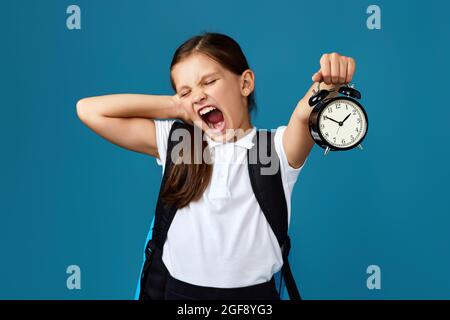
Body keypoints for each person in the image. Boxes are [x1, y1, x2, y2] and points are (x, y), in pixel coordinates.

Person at [76, 32, 356, 300]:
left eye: (208, 82)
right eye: (185, 90)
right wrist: (176, 106)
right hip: (180, 296)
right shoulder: (180, 144)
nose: (197, 95)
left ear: (245, 84)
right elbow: (89, 110)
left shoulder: (275, 150)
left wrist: (328, 85)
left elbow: (304, 112)